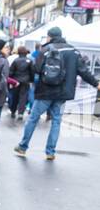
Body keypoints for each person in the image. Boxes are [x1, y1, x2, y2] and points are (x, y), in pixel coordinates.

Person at [15, 25, 100, 160]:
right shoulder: (73, 51)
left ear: (49, 36)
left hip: (45, 91)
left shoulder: (45, 50)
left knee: (33, 119)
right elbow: (83, 71)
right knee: (56, 121)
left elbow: (37, 69)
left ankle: (22, 147)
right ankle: (50, 151)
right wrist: (96, 84)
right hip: (63, 93)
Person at [7, 44, 33, 119]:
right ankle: (20, 113)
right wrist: (31, 80)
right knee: (23, 97)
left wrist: (11, 81)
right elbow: (32, 72)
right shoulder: (29, 61)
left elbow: (11, 72)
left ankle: (13, 110)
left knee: (15, 96)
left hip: (16, 81)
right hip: (26, 81)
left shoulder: (16, 61)